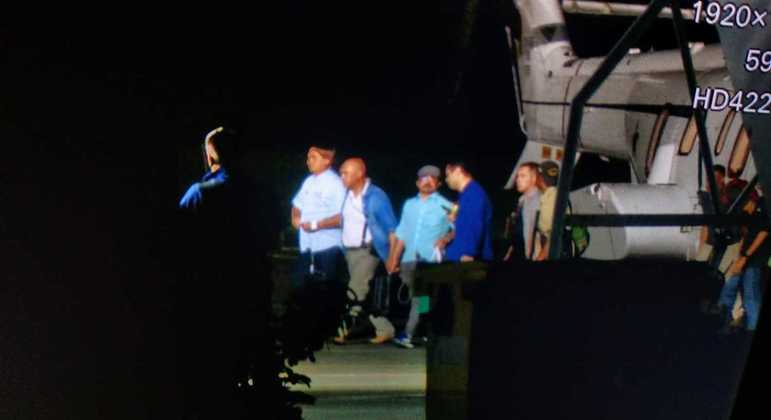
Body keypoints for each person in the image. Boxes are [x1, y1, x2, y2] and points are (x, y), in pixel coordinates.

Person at [177, 126, 271, 418]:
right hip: (253, 280)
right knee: (254, 353)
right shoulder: (261, 193)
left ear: (210, 155)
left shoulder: (200, 192)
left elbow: (177, 236)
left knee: (214, 358)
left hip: (210, 285)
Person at [387, 165, 455, 348]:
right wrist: (393, 258)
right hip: (409, 259)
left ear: (438, 184)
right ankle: (424, 331)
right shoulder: (409, 204)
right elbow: (402, 233)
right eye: (424, 178)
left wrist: (445, 239)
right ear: (417, 182)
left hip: (430, 260)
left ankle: (408, 334)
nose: (428, 182)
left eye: (433, 179)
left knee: (419, 297)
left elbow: (458, 229)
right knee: (420, 298)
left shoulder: (446, 205)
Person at [336, 158, 398, 344]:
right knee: (364, 294)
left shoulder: (376, 197)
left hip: (367, 252)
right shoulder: (345, 196)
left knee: (355, 291)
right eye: (341, 173)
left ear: (360, 173)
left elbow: (392, 229)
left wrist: (392, 258)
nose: (342, 176)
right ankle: (385, 328)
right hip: (348, 252)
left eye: (346, 173)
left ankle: (344, 330)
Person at [290, 145, 347, 288]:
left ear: (327, 160)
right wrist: (295, 217)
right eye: (308, 158)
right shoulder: (309, 182)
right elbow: (297, 205)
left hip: (328, 249)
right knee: (301, 289)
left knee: (324, 291)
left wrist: (316, 225)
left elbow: (343, 217)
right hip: (307, 248)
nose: (308, 161)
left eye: (313, 157)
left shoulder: (336, 184)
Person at [717, 189, 770, 333]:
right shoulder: (748, 214)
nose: (744, 210)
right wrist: (740, 256)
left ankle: (751, 328)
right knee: (731, 288)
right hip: (746, 256)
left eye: (745, 206)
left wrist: (745, 256)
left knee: (750, 295)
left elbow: (763, 232)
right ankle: (724, 320)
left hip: (755, 258)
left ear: (750, 201)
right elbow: (746, 235)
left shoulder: (763, 207)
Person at [444, 161, 494, 262]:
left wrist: (467, 254)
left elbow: (474, 227)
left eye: (448, 175)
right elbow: (466, 222)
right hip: (459, 253)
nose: (446, 179)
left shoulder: (473, 194)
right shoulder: (465, 195)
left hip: (465, 257)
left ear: (458, 170)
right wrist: (455, 219)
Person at [503, 162, 542, 261]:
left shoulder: (538, 201)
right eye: (517, 176)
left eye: (523, 176)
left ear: (534, 178)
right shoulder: (522, 200)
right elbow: (519, 232)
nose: (517, 180)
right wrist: (509, 252)